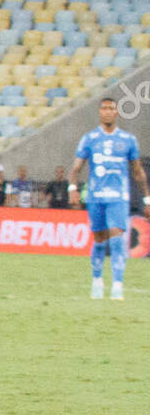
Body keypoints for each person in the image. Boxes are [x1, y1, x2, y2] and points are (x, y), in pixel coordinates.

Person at [69, 96, 148, 300]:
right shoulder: (89, 138)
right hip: (96, 197)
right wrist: (72, 188)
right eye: (103, 108)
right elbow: (76, 168)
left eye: (111, 108)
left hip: (118, 198)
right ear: (99, 112)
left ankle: (118, 286)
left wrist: (147, 199)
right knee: (99, 241)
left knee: (117, 239)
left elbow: (138, 171)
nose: (107, 112)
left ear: (116, 112)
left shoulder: (128, 140)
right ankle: (97, 281)